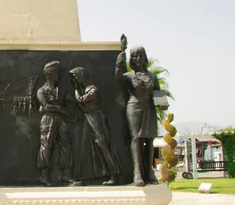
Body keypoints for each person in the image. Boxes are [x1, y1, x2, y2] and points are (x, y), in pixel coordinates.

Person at [116, 34, 164, 186]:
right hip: (134, 107)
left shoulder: (152, 76)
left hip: (149, 108)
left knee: (149, 139)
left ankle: (149, 171)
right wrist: (119, 63)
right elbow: (117, 79)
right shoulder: (129, 76)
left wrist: (161, 102)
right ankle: (137, 173)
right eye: (134, 56)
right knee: (136, 138)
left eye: (140, 55)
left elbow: (159, 93)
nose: (137, 58)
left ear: (145, 57)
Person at [70, 67, 119, 185]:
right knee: (86, 146)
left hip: (95, 118)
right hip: (87, 118)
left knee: (102, 144)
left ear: (81, 76)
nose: (74, 79)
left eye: (75, 76)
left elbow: (81, 100)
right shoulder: (86, 89)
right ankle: (85, 176)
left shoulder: (93, 90)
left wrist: (76, 89)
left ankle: (114, 175)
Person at [36, 61, 77, 186]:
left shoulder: (62, 90)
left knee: (66, 145)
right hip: (48, 120)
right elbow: (46, 106)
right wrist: (60, 109)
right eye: (56, 73)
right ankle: (43, 175)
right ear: (49, 74)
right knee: (46, 146)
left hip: (61, 120)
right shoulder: (41, 91)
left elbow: (70, 104)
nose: (59, 75)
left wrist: (65, 109)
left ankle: (66, 175)